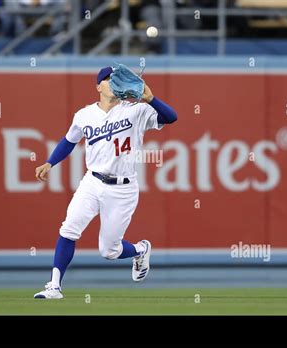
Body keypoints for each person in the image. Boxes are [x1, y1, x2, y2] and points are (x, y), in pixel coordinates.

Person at [33, 66, 178, 299]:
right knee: (69, 228)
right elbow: (69, 141)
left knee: (109, 251)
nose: (113, 82)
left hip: (123, 188)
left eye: (117, 78)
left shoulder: (136, 110)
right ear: (98, 86)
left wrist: (150, 98)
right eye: (108, 79)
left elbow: (171, 117)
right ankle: (54, 286)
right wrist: (50, 163)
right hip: (92, 181)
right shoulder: (84, 115)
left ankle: (140, 250)